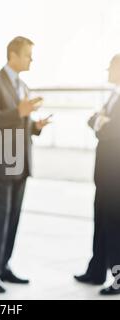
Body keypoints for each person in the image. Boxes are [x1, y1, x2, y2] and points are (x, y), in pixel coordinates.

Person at [0, 36, 50, 293]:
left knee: (14, 217)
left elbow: (22, 123)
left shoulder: (24, 87)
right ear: (13, 55)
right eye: (28, 54)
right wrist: (19, 111)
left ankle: (3, 267)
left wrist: (35, 126)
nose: (32, 59)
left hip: (21, 162)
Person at [74, 54, 120, 295]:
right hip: (104, 174)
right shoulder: (114, 94)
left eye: (110, 67)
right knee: (101, 222)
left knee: (114, 225)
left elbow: (113, 129)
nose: (107, 71)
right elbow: (94, 120)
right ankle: (96, 271)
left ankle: (118, 276)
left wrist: (102, 123)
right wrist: (102, 122)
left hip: (116, 175)